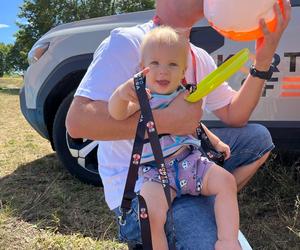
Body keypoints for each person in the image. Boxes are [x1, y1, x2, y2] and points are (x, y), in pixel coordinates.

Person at [66, 0, 291, 249]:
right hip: (144, 179)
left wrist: (263, 60)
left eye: (173, 66)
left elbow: (234, 114)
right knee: (200, 238)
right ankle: (169, 226)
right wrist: (166, 120)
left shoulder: (197, 57)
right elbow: (77, 122)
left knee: (257, 139)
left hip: (187, 161)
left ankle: (209, 198)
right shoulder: (130, 42)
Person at [108, 25, 240, 250]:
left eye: (172, 64)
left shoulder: (184, 93)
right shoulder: (142, 97)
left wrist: (215, 142)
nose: (163, 71)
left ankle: (227, 241)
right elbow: (117, 113)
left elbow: (194, 124)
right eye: (155, 63)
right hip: (157, 175)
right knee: (150, 215)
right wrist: (121, 94)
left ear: (183, 70)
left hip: (193, 164)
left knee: (227, 181)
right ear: (142, 69)